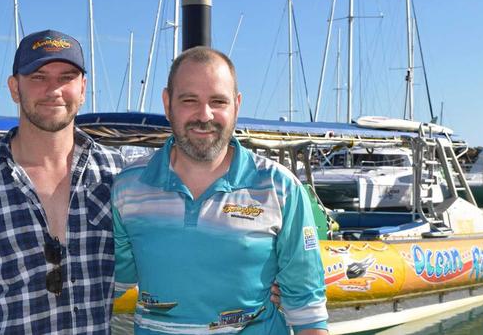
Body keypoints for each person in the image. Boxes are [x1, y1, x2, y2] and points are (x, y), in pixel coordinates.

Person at [112, 47, 329, 334]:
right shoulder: (127, 187)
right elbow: (111, 282)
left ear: (236, 105)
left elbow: (308, 310)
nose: (204, 115)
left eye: (218, 101)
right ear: (167, 103)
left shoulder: (281, 188)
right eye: (189, 100)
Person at [0, 29, 125, 334]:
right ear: (15, 88)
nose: (54, 90)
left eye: (66, 77)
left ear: (82, 89)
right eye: (39, 77)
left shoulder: (118, 175)